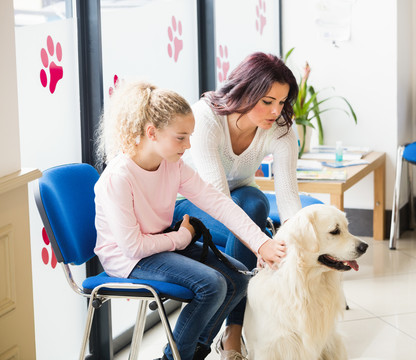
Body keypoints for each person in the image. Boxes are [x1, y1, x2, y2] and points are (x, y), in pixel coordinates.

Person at [93, 81, 285, 360]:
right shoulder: (118, 177)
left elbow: (217, 202)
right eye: (181, 137)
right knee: (212, 284)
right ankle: (174, 358)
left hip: (160, 245)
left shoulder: (173, 165)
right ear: (152, 133)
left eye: (190, 136)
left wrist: (260, 244)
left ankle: (192, 353)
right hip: (127, 258)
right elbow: (133, 247)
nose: (189, 145)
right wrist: (182, 237)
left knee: (238, 278)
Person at [172, 52, 302, 358]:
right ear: (246, 91)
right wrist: (260, 244)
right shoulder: (206, 118)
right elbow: (216, 197)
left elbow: (287, 196)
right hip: (188, 207)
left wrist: (298, 242)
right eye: (268, 101)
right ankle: (228, 333)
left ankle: (231, 332)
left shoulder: (281, 128)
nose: (276, 111)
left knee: (255, 203)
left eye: (282, 102)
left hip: (242, 202)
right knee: (249, 219)